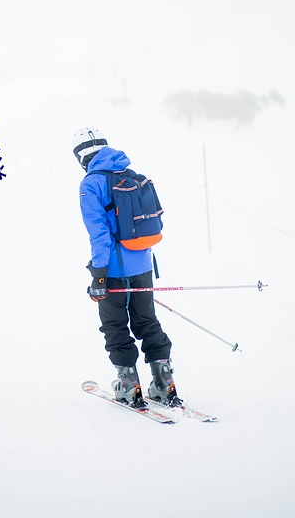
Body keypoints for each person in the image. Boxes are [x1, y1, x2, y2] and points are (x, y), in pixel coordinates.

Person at [73, 126, 181, 408]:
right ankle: (164, 383)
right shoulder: (131, 175)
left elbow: (99, 235)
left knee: (115, 325)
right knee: (146, 321)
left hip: (113, 270)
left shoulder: (90, 184)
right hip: (143, 264)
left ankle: (128, 386)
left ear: (81, 156)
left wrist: (99, 276)